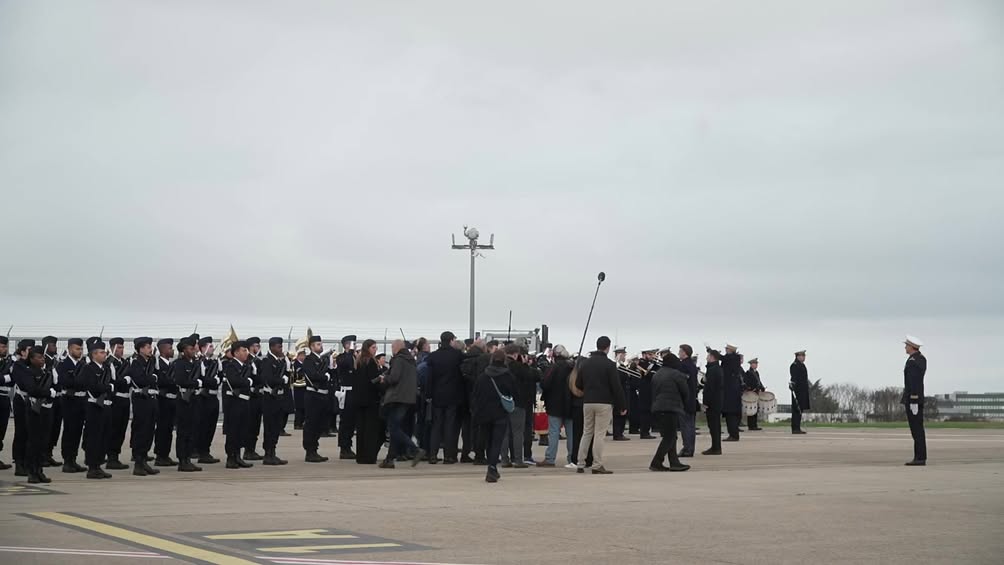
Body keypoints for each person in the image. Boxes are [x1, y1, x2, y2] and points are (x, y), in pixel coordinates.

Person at [574, 336, 627, 475]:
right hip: (604, 402)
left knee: (587, 432)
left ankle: (580, 462)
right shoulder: (609, 364)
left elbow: (578, 383)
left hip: (588, 401)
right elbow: (616, 386)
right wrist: (622, 404)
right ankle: (597, 464)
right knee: (599, 434)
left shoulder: (585, 363)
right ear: (608, 347)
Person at [472, 348, 516, 483]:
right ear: (504, 360)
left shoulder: (483, 376)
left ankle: (490, 466)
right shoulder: (508, 376)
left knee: (488, 440)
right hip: (500, 413)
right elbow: (514, 392)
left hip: (484, 413)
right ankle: (492, 467)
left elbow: (475, 395)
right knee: (497, 441)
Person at [12, 346, 55, 484]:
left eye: (43, 357)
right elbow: (32, 389)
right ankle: (32, 472)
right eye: (38, 357)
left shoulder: (45, 372)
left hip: (45, 409)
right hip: (33, 410)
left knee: (43, 442)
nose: (42, 359)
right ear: (31, 359)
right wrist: (49, 393)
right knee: (33, 442)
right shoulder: (28, 372)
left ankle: (39, 470)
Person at [379, 340, 424, 468]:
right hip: (408, 398)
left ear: (397, 348)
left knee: (394, 428)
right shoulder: (411, 360)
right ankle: (389, 459)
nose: (392, 349)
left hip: (397, 398)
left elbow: (394, 377)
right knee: (396, 428)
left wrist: (384, 379)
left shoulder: (398, 359)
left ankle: (415, 450)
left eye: (392, 347)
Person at [425, 331, 464, 464]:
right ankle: (448, 456)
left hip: (437, 395)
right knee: (450, 426)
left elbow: (429, 377)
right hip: (453, 396)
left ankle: (432, 455)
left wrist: (429, 394)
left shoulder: (433, 356)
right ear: (452, 340)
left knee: (436, 425)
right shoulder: (458, 355)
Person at [649, 352, 691, 472]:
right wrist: (682, 404)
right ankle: (656, 462)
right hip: (670, 408)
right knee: (670, 437)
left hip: (658, 408)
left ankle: (674, 462)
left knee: (670, 436)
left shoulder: (657, 374)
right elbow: (685, 392)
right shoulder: (676, 374)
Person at [78, 339, 113, 479]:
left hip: (105, 405)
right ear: (94, 354)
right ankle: (92, 467)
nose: (105, 354)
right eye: (102, 352)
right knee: (94, 437)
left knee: (104, 436)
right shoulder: (88, 368)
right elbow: (94, 387)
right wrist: (109, 387)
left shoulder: (105, 368)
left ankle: (98, 465)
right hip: (94, 406)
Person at [126, 337, 160, 476]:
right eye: (147, 347)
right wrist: (153, 378)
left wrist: (153, 377)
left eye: (150, 346)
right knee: (141, 430)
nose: (150, 349)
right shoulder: (136, 363)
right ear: (140, 349)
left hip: (151, 398)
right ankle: (138, 463)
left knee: (149, 431)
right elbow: (140, 380)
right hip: (141, 399)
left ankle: (144, 460)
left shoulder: (150, 362)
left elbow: (157, 377)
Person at [539, 344, 574, 467]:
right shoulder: (573, 367)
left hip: (554, 404)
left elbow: (545, 383)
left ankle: (550, 458)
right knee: (571, 433)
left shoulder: (554, 368)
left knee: (553, 432)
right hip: (571, 404)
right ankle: (572, 458)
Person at [55, 338, 86, 473]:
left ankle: (73, 459)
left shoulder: (83, 364)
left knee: (77, 432)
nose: (79, 351)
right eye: (77, 349)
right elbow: (66, 382)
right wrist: (78, 382)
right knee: (69, 431)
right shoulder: (63, 364)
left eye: (81, 349)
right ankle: (67, 461)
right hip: (69, 400)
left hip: (81, 401)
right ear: (69, 349)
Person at [171, 337, 203, 472]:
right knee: (183, 431)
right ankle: (182, 460)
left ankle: (188, 458)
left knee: (192, 430)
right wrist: (197, 383)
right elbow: (180, 380)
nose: (194, 350)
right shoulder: (179, 364)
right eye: (191, 349)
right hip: (184, 399)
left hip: (193, 398)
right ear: (184, 350)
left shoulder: (194, 363)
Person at [352, 339, 384, 464]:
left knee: (361, 429)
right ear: (368, 348)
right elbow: (372, 380)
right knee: (371, 429)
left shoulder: (358, 361)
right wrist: (380, 380)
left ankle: (360, 456)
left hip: (359, 400)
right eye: (373, 348)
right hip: (370, 399)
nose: (375, 350)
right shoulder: (371, 361)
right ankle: (369, 456)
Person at [260, 337, 290, 466]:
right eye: (278, 347)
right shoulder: (267, 361)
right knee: (270, 427)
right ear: (271, 347)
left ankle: (273, 452)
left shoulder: (279, 362)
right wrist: (282, 380)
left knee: (276, 427)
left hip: (278, 398)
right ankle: (268, 454)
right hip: (270, 398)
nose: (280, 349)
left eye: (281, 347)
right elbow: (268, 379)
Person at [223, 340, 254, 469]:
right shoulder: (231, 366)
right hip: (234, 403)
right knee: (233, 431)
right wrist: (248, 381)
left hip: (244, 401)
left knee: (242, 430)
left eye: (246, 350)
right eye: (243, 350)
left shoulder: (245, 366)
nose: (246, 353)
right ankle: (230, 457)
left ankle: (238, 456)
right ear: (235, 352)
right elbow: (235, 381)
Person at [300, 335, 331, 462]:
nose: (321, 346)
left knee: (319, 424)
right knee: (311, 423)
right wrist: (325, 377)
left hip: (322, 395)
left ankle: (315, 449)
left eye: (321, 343)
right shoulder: (309, 360)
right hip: (313, 395)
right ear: (312, 346)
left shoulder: (322, 359)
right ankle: (310, 450)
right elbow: (312, 375)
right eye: (318, 344)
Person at [500, 344, 531, 469]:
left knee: (504, 432)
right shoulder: (519, 367)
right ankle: (518, 460)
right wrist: (524, 364)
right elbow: (530, 377)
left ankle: (504, 459)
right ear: (516, 354)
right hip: (518, 402)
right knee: (518, 432)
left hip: (503, 402)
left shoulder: (501, 366)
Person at [102, 338, 131, 470]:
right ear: (113, 348)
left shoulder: (124, 362)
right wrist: (124, 380)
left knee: (121, 430)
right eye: (119, 347)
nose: (121, 350)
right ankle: (111, 458)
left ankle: (116, 456)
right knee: (114, 429)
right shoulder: (109, 363)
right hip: (116, 400)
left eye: (122, 347)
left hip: (125, 399)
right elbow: (113, 382)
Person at [10, 339, 36, 476]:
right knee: (21, 432)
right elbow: (26, 384)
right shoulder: (18, 366)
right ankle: (19, 463)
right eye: (29, 350)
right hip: (22, 401)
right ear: (22, 351)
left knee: (31, 434)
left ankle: (28, 462)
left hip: (33, 401)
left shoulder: (33, 366)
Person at [195, 336, 222, 464]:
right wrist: (214, 381)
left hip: (213, 397)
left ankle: (206, 450)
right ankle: (201, 452)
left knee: (211, 426)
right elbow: (202, 379)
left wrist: (215, 381)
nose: (212, 348)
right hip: (203, 398)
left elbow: (220, 377)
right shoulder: (199, 361)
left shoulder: (214, 362)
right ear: (203, 348)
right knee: (203, 426)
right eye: (210, 346)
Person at [902, 336, 928, 466]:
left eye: (907, 345)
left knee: (917, 430)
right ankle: (919, 456)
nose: (905, 347)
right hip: (916, 399)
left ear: (912, 347)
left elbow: (914, 382)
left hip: (914, 400)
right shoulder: (920, 359)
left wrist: (913, 399)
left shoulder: (913, 362)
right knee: (918, 430)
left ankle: (920, 458)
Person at [335, 334, 358, 459]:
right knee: (345, 421)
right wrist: (349, 352)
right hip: (345, 392)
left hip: (354, 392)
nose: (353, 346)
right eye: (350, 343)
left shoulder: (356, 357)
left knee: (352, 421)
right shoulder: (342, 357)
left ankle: (348, 445)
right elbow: (346, 365)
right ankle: (344, 448)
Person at [41, 336, 62, 468]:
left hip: (58, 398)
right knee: (46, 428)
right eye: (53, 345)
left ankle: (49, 454)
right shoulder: (43, 361)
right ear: (46, 346)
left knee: (55, 428)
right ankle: (43, 455)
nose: (55, 347)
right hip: (47, 398)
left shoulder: (56, 361)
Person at [243, 336, 265, 461]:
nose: (258, 348)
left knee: (255, 424)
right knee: (250, 424)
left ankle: (251, 449)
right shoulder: (248, 360)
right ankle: (248, 450)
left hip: (258, 395)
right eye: (256, 346)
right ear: (250, 347)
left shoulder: (257, 360)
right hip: (251, 396)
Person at [677, 344, 699, 457]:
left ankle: (687, 449)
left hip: (684, 399)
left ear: (685, 352)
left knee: (686, 426)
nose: (678, 353)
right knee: (690, 425)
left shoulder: (683, 366)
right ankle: (690, 448)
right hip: (691, 399)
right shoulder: (692, 365)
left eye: (680, 351)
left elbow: (681, 383)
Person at [702, 349, 724, 455]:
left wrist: (705, 402)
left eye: (708, 356)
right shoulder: (718, 369)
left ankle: (716, 447)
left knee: (713, 425)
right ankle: (716, 446)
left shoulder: (713, 370)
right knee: (715, 425)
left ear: (712, 357)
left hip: (713, 402)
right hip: (717, 401)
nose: (706, 358)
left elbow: (709, 388)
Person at [721, 343, 743, 442]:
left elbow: (723, 358)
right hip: (734, 394)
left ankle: (733, 435)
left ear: (731, 350)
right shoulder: (733, 359)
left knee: (731, 416)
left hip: (730, 394)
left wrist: (710, 351)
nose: (726, 350)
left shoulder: (731, 358)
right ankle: (733, 434)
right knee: (732, 416)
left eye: (727, 349)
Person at [636, 349, 658, 439]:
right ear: (644, 355)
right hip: (645, 391)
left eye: (653, 354)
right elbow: (648, 375)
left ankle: (646, 431)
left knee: (648, 411)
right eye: (650, 354)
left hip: (649, 390)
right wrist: (653, 364)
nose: (652, 356)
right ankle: (644, 432)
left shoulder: (650, 363)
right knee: (645, 411)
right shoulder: (642, 363)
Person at [613, 347, 634, 440]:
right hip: (620, 392)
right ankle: (617, 433)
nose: (625, 356)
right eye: (623, 354)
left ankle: (620, 432)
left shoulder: (622, 366)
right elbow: (619, 379)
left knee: (623, 412)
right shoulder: (617, 366)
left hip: (625, 392)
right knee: (619, 413)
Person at [789, 350, 810, 434]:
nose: (804, 357)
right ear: (797, 356)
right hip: (797, 391)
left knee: (800, 409)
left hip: (803, 390)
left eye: (804, 356)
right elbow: (794, 377)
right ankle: (795, 428)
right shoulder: (794, 365)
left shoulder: (802, 365)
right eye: (802, 356)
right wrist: (793, 385)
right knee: (796, 409)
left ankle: (797, 427)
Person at [743, 358, 765, 430]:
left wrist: (762, 387)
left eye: (756, 364)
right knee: (751, 409)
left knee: (755, 409)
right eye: (754, 364)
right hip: (752, 393)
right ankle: (751, 425)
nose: (756, 365)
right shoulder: (748, 373)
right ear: (751, 364)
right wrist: (751, 388)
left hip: (756, 392)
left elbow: (759, 381)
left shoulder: (756, 373)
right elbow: (746, 383)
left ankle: (754, 425)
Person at [0, 336, 12, 471]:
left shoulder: (7, 362)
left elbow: (13, 380)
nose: (5, 349)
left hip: (4, 398)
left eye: (6, 346)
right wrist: (5, 377)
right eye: (2, 346)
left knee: (1, 429)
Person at [292, 348, 307, 430]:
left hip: (304, 387)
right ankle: (297, 423)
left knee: (304, 406)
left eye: (304, 355)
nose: (303, 357)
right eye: (301, 355)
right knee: (299, 407)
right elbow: (299, 374)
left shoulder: (304, 364)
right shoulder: (296, 364)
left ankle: (302, 423)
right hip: (298, 387)